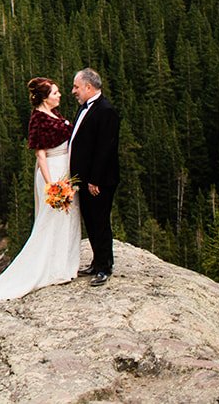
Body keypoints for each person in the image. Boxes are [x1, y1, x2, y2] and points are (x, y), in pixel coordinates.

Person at [0, 77, 81, 302]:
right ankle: (49, 267)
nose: (60, 95)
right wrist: (51, 182)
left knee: (68, 218)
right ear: (44, 97)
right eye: (55, 93)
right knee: (51, 218)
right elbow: (40, 154)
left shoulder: (55, 114)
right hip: (52, 170)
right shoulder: (38, 118)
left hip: (65, 168)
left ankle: (65, 265)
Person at [70, 67, 121, 285]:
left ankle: (105, 267)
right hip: (85, 179)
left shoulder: (105, 110)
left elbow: (105, 149)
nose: (73, 91)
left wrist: (95, 180)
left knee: (100, 221)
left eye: (76, 87)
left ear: (89, 87)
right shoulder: (85, 108)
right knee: (91, 221)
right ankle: (96, 261)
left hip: (99, 180)